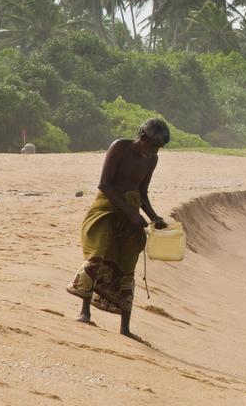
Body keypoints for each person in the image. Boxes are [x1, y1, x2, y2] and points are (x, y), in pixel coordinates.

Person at [67, 118, 170, 340]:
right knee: (97, 255)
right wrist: (131, 213)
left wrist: (153, 217)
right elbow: (104, 184)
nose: (155, 151)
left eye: (159, 148)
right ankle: (84, 312)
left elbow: (142, 192)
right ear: (143, 138)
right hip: (106, 208)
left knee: (127, 264)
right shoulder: (120, 147)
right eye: (153, 145)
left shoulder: (152, 159)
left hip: (130, 212)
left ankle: (125, 327)